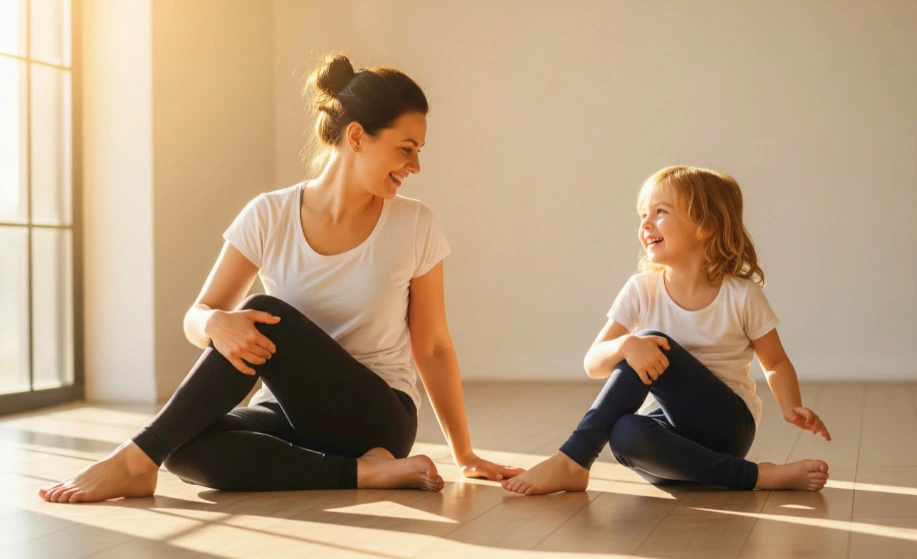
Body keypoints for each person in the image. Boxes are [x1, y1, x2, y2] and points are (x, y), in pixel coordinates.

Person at [40, 54, 523, 504]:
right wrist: (215, 324)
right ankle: (362, 473)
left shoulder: (414, 224)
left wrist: (465, 454)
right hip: (288, 414)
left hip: (378, 418)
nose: (414, 166)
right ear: (357, 137)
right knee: (183, 448)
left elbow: (433, 346)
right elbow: (198, 315)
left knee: (267, 317)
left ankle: (132, 458)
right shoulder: (269, 214)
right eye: (406, 148)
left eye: (418, 151)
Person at [502, 165, 831, 496]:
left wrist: (791, 406)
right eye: (643, 214)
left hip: (727, 428)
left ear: (707, 225)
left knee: (648, 344)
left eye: (660, 212)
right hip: (670, 449)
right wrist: (624, 346)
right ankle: (750, 476)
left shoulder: (741, 295)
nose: (645, 224)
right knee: (624, 431)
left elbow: (775, 363)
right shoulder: (641, 289)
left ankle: (573, 459)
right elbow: (593, 363)